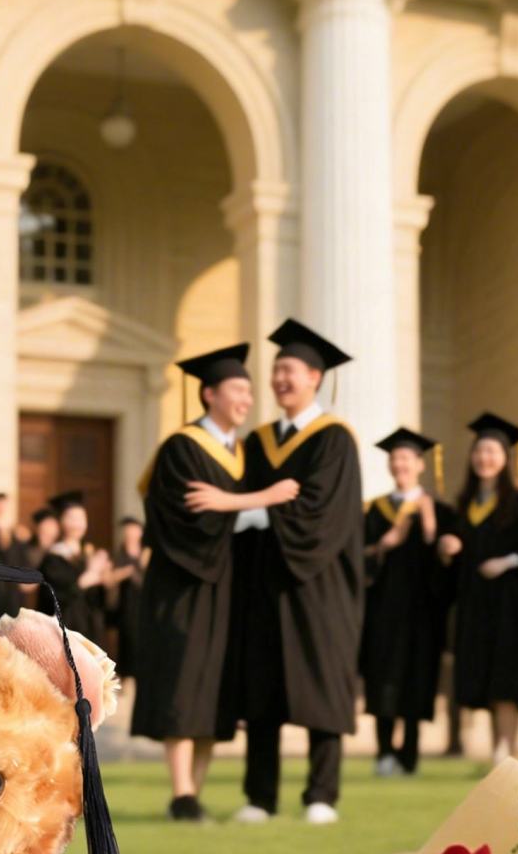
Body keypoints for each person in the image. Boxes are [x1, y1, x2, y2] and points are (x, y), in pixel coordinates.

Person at [131, 344, 299, 822]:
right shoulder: (183, 447)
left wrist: (231, 501)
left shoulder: (242, 453)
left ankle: (195, 792)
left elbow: (225, 510)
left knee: (214, 691)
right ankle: (181, 792)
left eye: (249, 391)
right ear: (210, 394)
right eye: (238, 390)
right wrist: (258, 499)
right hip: (185, 585)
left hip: (225, 588)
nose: (247, 399)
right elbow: (186, 514)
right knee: (184, 683)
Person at [227, 319, 363, 825]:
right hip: (264, 583)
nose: (280, 378)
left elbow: (327, 513)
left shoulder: (334, 440)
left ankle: (321, 794)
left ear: (315, 376)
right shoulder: (260, 442)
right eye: (277, 370)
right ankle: (259, 797)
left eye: (291, 370)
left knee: (321, 687)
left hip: (318, 584)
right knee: (263, 691)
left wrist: (259, 514)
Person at [437, 414, 518, 765]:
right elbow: (458, 554)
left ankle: (506, 748)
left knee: (507, 675)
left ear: (505, 458)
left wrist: (509, 561)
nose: (485, 458)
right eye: (479, 451)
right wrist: (448, 547)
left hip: (510, 602)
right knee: (484, 673)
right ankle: (499, 749)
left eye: (492, 451)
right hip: (476, 602)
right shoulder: (465, 503)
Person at [360, 428, 454, 777]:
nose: (400, 464)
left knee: (417, 681)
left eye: (406, 459)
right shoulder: (374, 510)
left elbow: (447, 567)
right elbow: (359, 559)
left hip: (422, 613)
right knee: (382, 678)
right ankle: (384, 752)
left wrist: (430, 529)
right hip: (383, 610)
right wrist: (386, 543)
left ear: (420, 464)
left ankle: (410, 754)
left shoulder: (441, 510)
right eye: (394, 458)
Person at [37, 491, 110, 642]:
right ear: (61, 521)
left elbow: (98, 601)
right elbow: (54, 598)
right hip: (66, 632)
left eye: (82, 518)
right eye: (72, 518)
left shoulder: (90, 554)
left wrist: (106, 580)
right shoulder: (53, 558)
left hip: (91, 630)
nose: (78, 524)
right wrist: (88, 576)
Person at [107, 517, 144, 683]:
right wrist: (128, 571)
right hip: (126, 605)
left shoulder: (146, 552)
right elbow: (110, 578)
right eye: (127, 530)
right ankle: (127, 676)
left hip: (144, 604)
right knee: (127, 639)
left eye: (134, 529)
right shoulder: (119, 555)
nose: (130, 534)